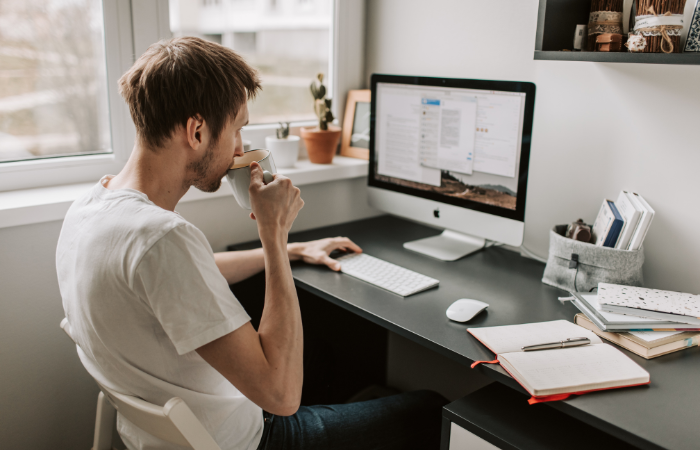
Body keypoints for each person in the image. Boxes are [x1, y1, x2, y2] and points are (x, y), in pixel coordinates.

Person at [57, 36, 446, 450]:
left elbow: (175, 279)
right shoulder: (163, 238)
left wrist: (293, 251)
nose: (240, 148)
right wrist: (275, 235)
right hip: (252, 439)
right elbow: (281, 397)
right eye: (238, 128)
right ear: (197, 130)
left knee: (327, 358)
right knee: (431, 409)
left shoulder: (90, 208)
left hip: (155, 436)